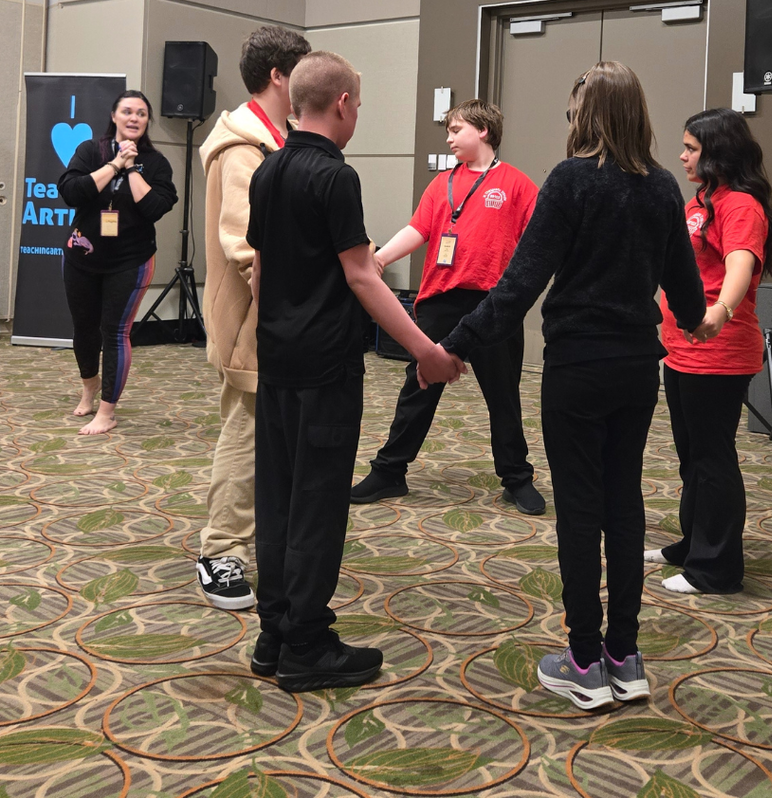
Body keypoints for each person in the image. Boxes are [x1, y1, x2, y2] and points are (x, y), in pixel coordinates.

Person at [439, 62, 705, 710]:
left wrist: (451, 346)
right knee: (625, 502)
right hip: (639, 370)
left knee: (581, 513)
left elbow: (519, 286)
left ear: (584, 117)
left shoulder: (569, 181)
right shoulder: (664, 189)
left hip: (577, 371)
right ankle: (625, 656)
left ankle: (584, 660)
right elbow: (689, 302)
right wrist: (696, 318)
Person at [246, 51, 461, 693]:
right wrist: (426, 349)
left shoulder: (268, 170)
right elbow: (363, 275)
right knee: (316, 502)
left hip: (277, 361)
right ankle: (306, 644)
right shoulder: (336, 178)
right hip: (325, 369)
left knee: (278, 496)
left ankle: (275, 631)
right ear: (341, 103)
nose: (358, 114)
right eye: (359, 105)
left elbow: (260, 272)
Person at [351, 100, 544, 514]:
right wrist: (381, 258)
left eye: (457, 129)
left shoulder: (517, 184)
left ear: (484, 131)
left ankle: (516, 478)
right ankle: (389, 472)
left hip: (495, 304)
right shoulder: (442, 185)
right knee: (419, 387)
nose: (449, 137)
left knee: (503, 395)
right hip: (441, 299)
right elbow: (419, 228)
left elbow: (540, 243)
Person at [194, 26, 311, 612]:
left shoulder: (278, 138)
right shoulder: (242, 146)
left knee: (271, 437)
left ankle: (256, 538)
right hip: (253, 323)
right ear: (278, 77)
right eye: (304, 73)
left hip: (275, 322)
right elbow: (245, 246)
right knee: (244, 434)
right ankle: (220, 551)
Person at [645, 108, 772, 595]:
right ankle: (692, 544)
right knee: (691, 457)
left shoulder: (741, 204)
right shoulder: (701, 200)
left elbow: (741, 264)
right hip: (682, 349)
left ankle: (717, 569)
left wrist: (719, 312)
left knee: (712, 458)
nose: (681, 156)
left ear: (718, 152)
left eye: (691, 148)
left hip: (718, 350)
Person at [57, 90, 178, 435]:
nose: (134, 118)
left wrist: (133, 167)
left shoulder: (156, 163)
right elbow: (71, 192)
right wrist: (113, 165)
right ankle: (89, 387)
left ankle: (107, 411)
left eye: (141, 113)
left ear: (147, 121)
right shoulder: (90, 151)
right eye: (127, 111)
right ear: (114, 116)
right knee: (84, 329)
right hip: (81, 256)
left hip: (130, 261)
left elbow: (155, 208)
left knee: (114, 333)